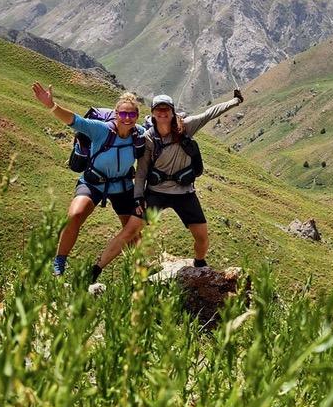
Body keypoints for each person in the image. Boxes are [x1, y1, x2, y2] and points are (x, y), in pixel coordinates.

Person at [31, 83, 146, 280]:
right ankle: (59, 261)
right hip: (93, 181)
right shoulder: (101, 130)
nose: (127, 119)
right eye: (123, 114)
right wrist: (51, 105)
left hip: (123, 185)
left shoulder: (139, 134)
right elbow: (75, 121)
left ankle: (142, 269)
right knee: (75, 214)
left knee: (132, 231)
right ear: (116, 114)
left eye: (132, 115)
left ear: (136, 116)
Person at [134, 90, 243, 267]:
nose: (162, 113)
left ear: (172, 111)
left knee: (202, 237)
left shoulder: (186, 127)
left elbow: (209, 114)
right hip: (156, 192)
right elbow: (142, 170)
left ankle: (199, 263)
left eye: (166, 109)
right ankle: (140, 267)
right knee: (134, 230)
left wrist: (235, 101)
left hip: (184, 192)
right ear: (153, 112)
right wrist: (138, 196)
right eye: (158, 109)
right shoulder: (148, 137)